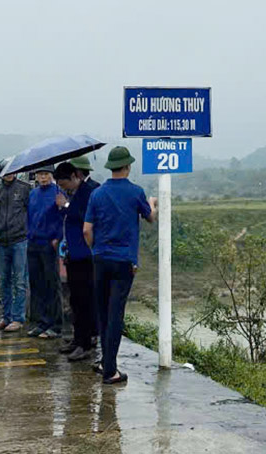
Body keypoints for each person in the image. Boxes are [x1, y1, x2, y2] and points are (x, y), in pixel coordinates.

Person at [84, 146, 157, 384]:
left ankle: (106, 362)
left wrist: (96, 250)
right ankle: (110, 371)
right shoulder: (136, 192)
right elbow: (150, 217)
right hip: (124, 261)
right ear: (127, 167)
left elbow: (87, 230)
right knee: (116, 314)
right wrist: (153, 203)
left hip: (101, 259)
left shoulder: (97, 194)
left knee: (103, 313)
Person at [54, 159, 100, 361]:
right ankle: (78, 338)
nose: (64, 189)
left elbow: (86, 217)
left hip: (86, 255)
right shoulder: (77, 192)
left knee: (85, 300)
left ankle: (86, 342)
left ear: (75, 176)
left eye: (64, 184)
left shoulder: (91, 191)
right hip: (73, 253)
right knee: (76, 299)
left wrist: (65, 206)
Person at [0, 158, 30, 332]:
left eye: (13, 169)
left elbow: (30, 212)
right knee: (4, 280)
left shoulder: (24, 189)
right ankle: (5, 317)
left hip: (20, 240)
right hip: (1, 241)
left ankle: (18, 318)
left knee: (20, 281)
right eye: (6, 170)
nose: (10, 173)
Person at [26, 165, 65, 339]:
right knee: (37, 284)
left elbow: (64, 216)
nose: (42, 177)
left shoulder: (58, 192)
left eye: (46, 174)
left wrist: (57, 237)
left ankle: (55, 325)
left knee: (52, 283)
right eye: (40, 174)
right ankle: (41, 323)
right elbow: (28, 217)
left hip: (49, 244)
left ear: (52, 176)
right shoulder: (33, 194)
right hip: (33, 243)